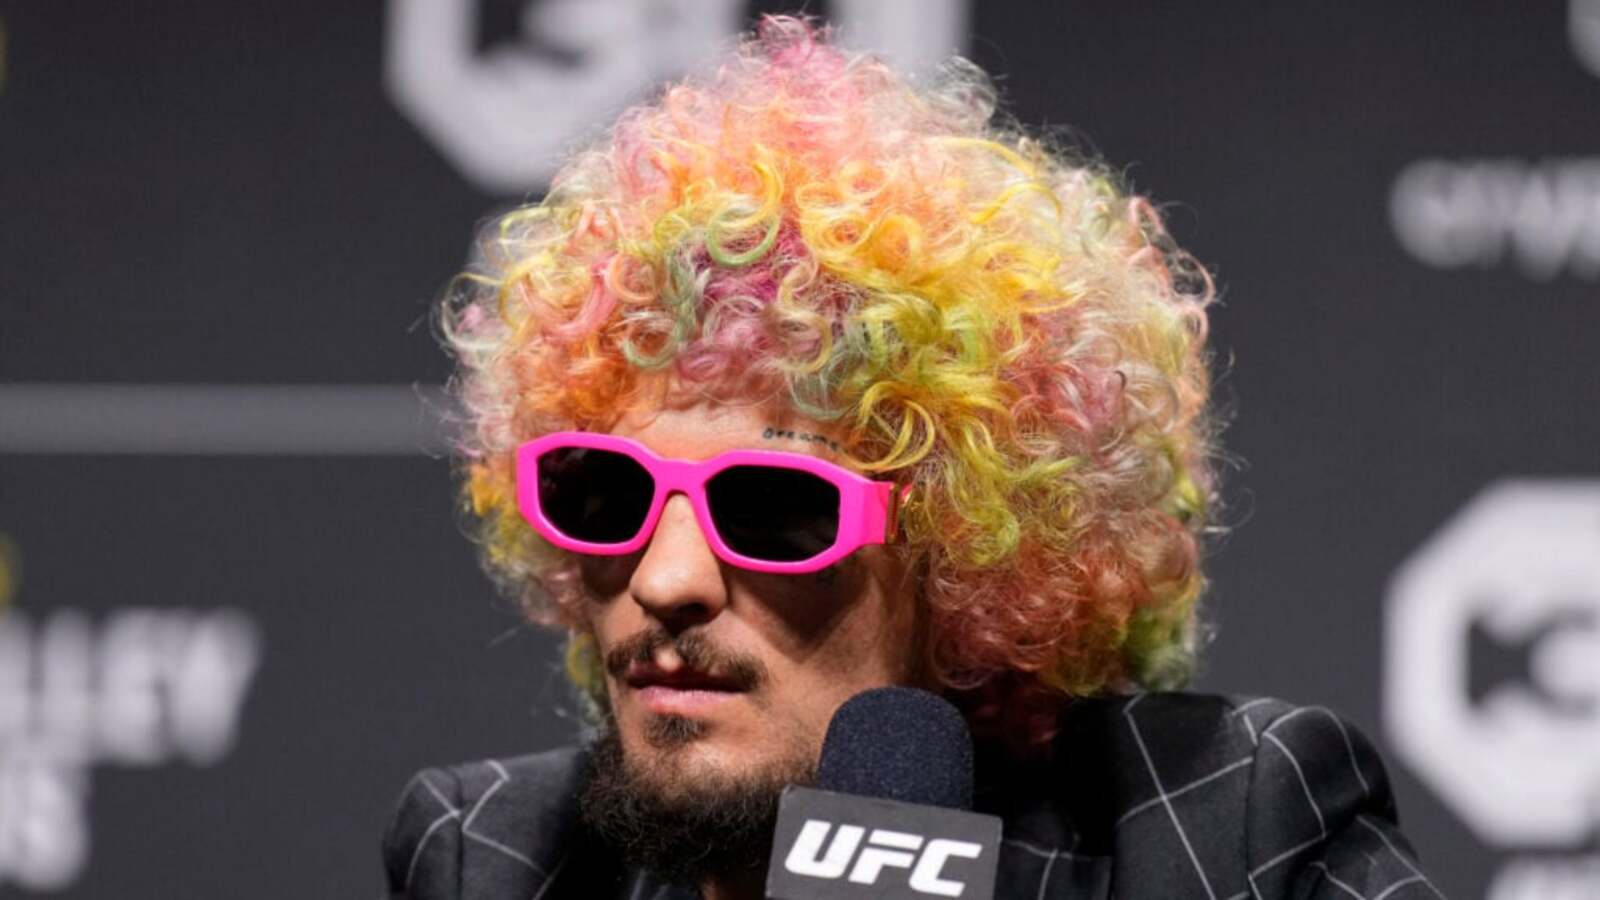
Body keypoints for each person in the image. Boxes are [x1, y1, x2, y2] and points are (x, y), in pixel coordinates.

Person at [383, 17, 1440, 900]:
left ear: (970, 559)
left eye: (774, 508)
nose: (665, 581)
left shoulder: (1223, 836)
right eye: (607, 495)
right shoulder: (497, 860)